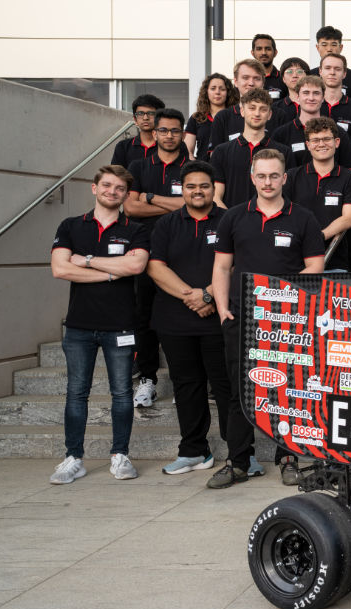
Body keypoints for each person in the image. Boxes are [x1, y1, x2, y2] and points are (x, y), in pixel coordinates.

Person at [210, 149, 325, 489]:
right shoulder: (233, 217)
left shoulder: (302, 218)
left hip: (287, 321)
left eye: (274, 175)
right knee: (239, 392)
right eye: (261, 176)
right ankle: (238, 461)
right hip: (242, 319)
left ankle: (287, 458)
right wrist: (221, 308)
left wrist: (287, 303)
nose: (268, 182)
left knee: (287, 390)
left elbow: (315, 267)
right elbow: (221, 266)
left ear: (285, 178)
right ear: (252, 177)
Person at [48, 165, 149, 484]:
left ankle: (120, 455)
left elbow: (135, 265)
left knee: (122, 393)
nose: (112, 192)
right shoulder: (71, 226)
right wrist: (108, 273)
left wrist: (88, 260)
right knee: (76, 393)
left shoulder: (136, 229)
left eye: (119, 188)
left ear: (125, 194)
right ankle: (73, 458)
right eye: (106, 185)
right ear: (94, 188)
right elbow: (61, 269)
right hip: (79, 327)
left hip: (119, 325)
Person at [146, 160, 231, 476]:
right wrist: (192, 297)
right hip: (175, 322)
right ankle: (194, 450)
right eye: (191, 186)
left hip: (218, 318)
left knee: (225, 387)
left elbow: (235, 263)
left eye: (204, 186)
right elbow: (156, 267)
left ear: (213, 189)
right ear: (183, 190)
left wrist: (209, 294)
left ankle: (238, 452)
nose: (198, 191)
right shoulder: (167, 224)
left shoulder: (228, 220)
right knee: (187, 386)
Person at [124, 108, 189, 409]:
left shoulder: (193, 167)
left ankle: (184, 381)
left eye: (176, 130)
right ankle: (147, 379)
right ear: (155, 132)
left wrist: (149, 197)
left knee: (181, 317)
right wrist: (171, 205)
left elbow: (192, 205)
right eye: (164, 130)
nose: (169, 135)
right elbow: (130, 209)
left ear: (182, 133)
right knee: (144, 317)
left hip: (183, 253)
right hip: (145, 252)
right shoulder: (139, 165)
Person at [285, 117, 351, 271]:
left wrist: (318, 237)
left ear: (337, 142)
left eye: (327, 139)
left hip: (336, 262)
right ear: (308, 145)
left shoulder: (350, 178)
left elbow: (349, 219)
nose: (321, 144)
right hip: (297, 262)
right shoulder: (292, 176)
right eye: (315, 140)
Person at [211, 89, 292, 209]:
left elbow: (288, 195)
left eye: (263, 109)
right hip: (233, 224)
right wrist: (232, 221)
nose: (257, 113)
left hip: (271, 223)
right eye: (252, 108)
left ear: (269, 115)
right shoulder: (221, 151)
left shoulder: (284, 152)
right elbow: (215, 196)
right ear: (242, 111)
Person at [270, 75, 351, 170]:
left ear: (323, 97)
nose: (311, 98)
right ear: (298, 97)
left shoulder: (338, 132)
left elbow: (350, 169)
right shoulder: (281, 134)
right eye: (306, 93)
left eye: (316, 93)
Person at [319, 53, 351, 164]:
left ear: (344, 74)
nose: (332, 72)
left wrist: (348, 174)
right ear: (320, 71)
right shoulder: (312, 106)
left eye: (337, 69)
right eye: (328, 68)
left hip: (347, 176)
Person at [208, 59, 266, 155]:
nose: (251, 83)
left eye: (256, 78)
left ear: (263, 83)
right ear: (235, 81)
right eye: (245, 78)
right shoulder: (222, 117)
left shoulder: (278, 115)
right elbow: (215, 155)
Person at [184, 74, 236, 159]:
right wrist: (195, 167)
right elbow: (188, 151)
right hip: (203, 168)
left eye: (222, 89)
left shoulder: (235, 116)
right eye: (213, 88)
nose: (217, 92)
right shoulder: (196, 118)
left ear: (228, 92)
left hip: (229, 169)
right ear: (206, 91)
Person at [112, 94, 164, 167]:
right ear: (135, 119)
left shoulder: (169, 145)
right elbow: (116, 176)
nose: (145, 118)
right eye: (140, 113)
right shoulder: (123, 147)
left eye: (151, 113)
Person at [309, 26, 351, 96]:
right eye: (324, 44)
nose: (329, 49)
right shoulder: (309, 76)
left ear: (341, 47)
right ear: (317, 47)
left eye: (334, 44)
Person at [251, 34, 286, 101]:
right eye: (259, 49)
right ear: (252, 53)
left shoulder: (284, 79)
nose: (264, 52)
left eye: (268, 49)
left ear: (275, 53)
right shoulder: (245, 80)